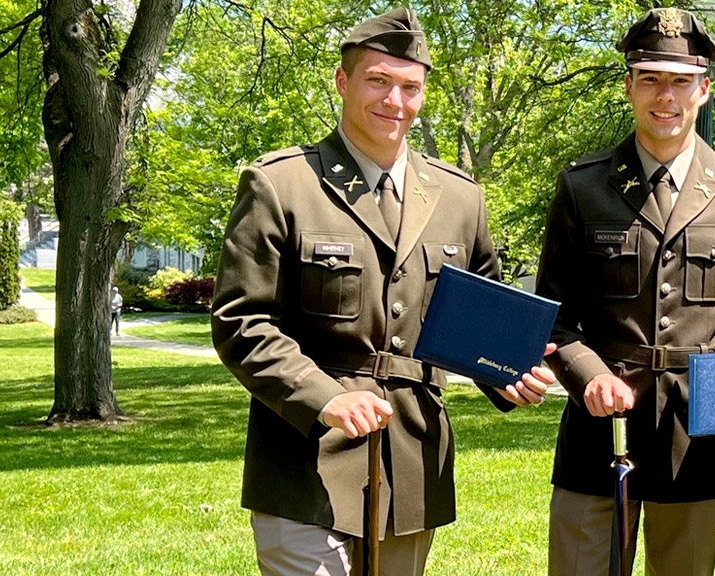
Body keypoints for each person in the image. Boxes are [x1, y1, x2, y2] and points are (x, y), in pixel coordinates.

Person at [210, 8, 554, 576]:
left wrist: (509, 372)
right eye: (378, 81)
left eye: (410, 87)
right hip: (306, 458)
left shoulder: (459, 196)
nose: (394, 101)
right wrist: (325, 396)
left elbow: (481, 308)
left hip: (413, 460)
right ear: (344, 82)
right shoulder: (282, 184)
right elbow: (242, 322)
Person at [534, 8, 715, 576]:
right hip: (597, 433)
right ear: (629, 87)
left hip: (697, 436)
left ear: (704, 90)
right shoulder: (582, 186)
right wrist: (589, 376)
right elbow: (553, 317)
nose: (665, 97)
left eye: (680, 82)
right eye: (651, 80)